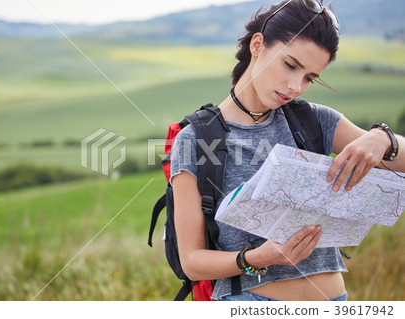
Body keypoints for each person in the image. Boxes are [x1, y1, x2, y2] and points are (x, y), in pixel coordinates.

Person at [169, 0, 405, 301]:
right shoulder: (196, 139)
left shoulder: (314, 120)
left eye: (309, 78)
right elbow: (191, 262)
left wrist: (382, 139)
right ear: (258, 44)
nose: (295, 86)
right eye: (290, 65)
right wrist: (256, 257)